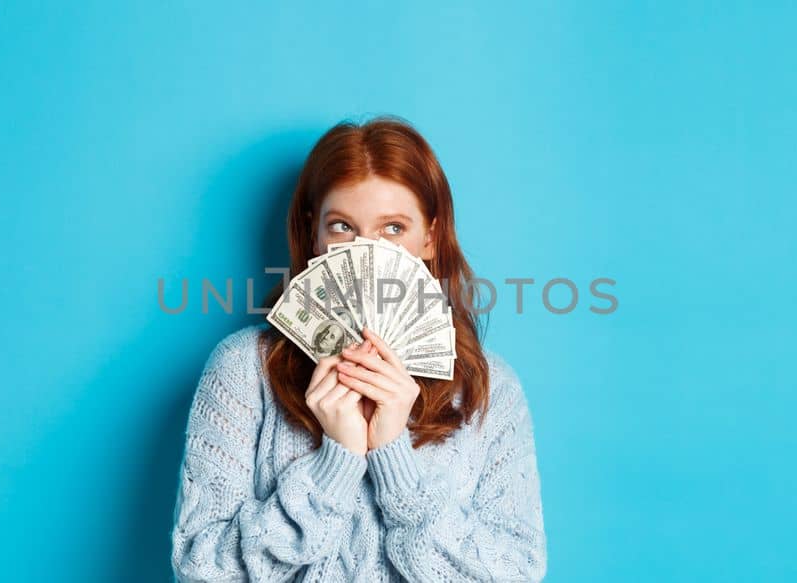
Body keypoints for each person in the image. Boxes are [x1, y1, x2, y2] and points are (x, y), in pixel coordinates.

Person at [171, 116, 546, 581]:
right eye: (343, 226)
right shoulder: (244, 370)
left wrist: (395, 458)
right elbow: (200, 570)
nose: (367, 253)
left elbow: (517, 572)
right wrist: (336, 463)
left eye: (393, 229)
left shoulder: (489, 389)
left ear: (429, 235)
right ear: (314, 235)